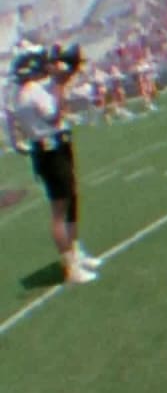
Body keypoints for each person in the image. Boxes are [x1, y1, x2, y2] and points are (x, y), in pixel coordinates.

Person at [5, 46, 101, 284]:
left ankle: (75, 252)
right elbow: (53, 115)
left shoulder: (22, 93)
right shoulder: (31, 92)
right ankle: (71, 267)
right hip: (51, 149)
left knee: (70, 200)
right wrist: (59, 83)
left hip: (50, 148)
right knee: (60, 209)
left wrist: (64, 75)